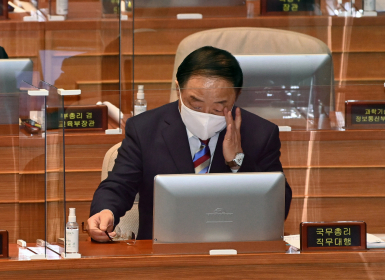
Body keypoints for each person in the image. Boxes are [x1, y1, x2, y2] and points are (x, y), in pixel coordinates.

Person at [87, 46, 292, 241]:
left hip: (236, 254)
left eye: (218, 108)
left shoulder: (259, 134)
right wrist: (105, 211)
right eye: (196, 105)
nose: (205, 115)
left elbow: (278, 207)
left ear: (237, 96)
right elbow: (118, 185)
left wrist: (237, 163)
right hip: (163, 257)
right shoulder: (145, 129)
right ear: (178, 88)